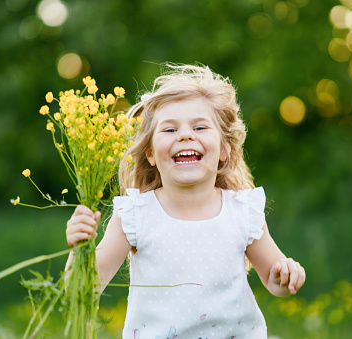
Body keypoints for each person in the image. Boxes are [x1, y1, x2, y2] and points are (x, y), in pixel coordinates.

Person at [65, 64, 306, 338]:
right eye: (169, 130)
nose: (184, 135)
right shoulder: (135, 215)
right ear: (151, 154)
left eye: (200, 126)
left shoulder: (242, 211)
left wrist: (284, 275)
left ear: (224, 148)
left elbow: (274, 280)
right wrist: (78, 247)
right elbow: (81, 291)